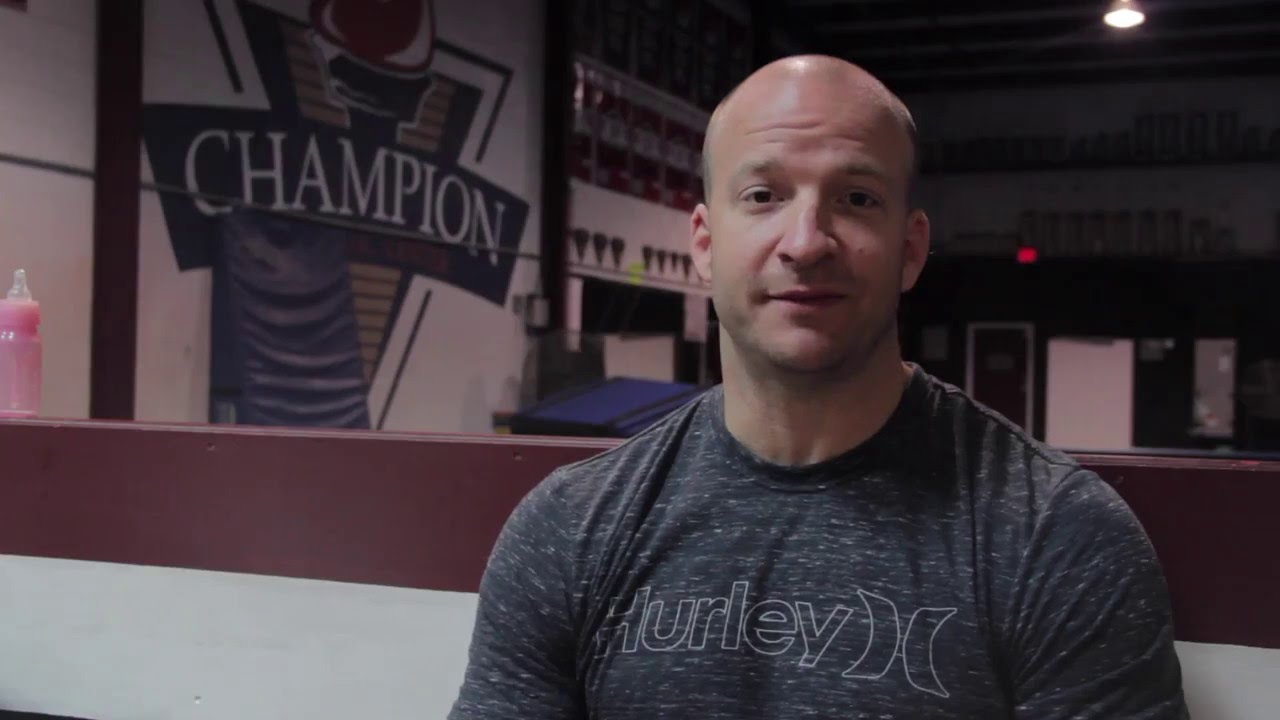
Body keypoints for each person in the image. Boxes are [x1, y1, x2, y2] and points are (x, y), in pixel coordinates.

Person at [448, 55, 1188, 719]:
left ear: (910, 249)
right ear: (705, 244)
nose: (806, 243)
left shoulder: (1056, 536)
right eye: (763, 195)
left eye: (857, 198)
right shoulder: (569, 529)